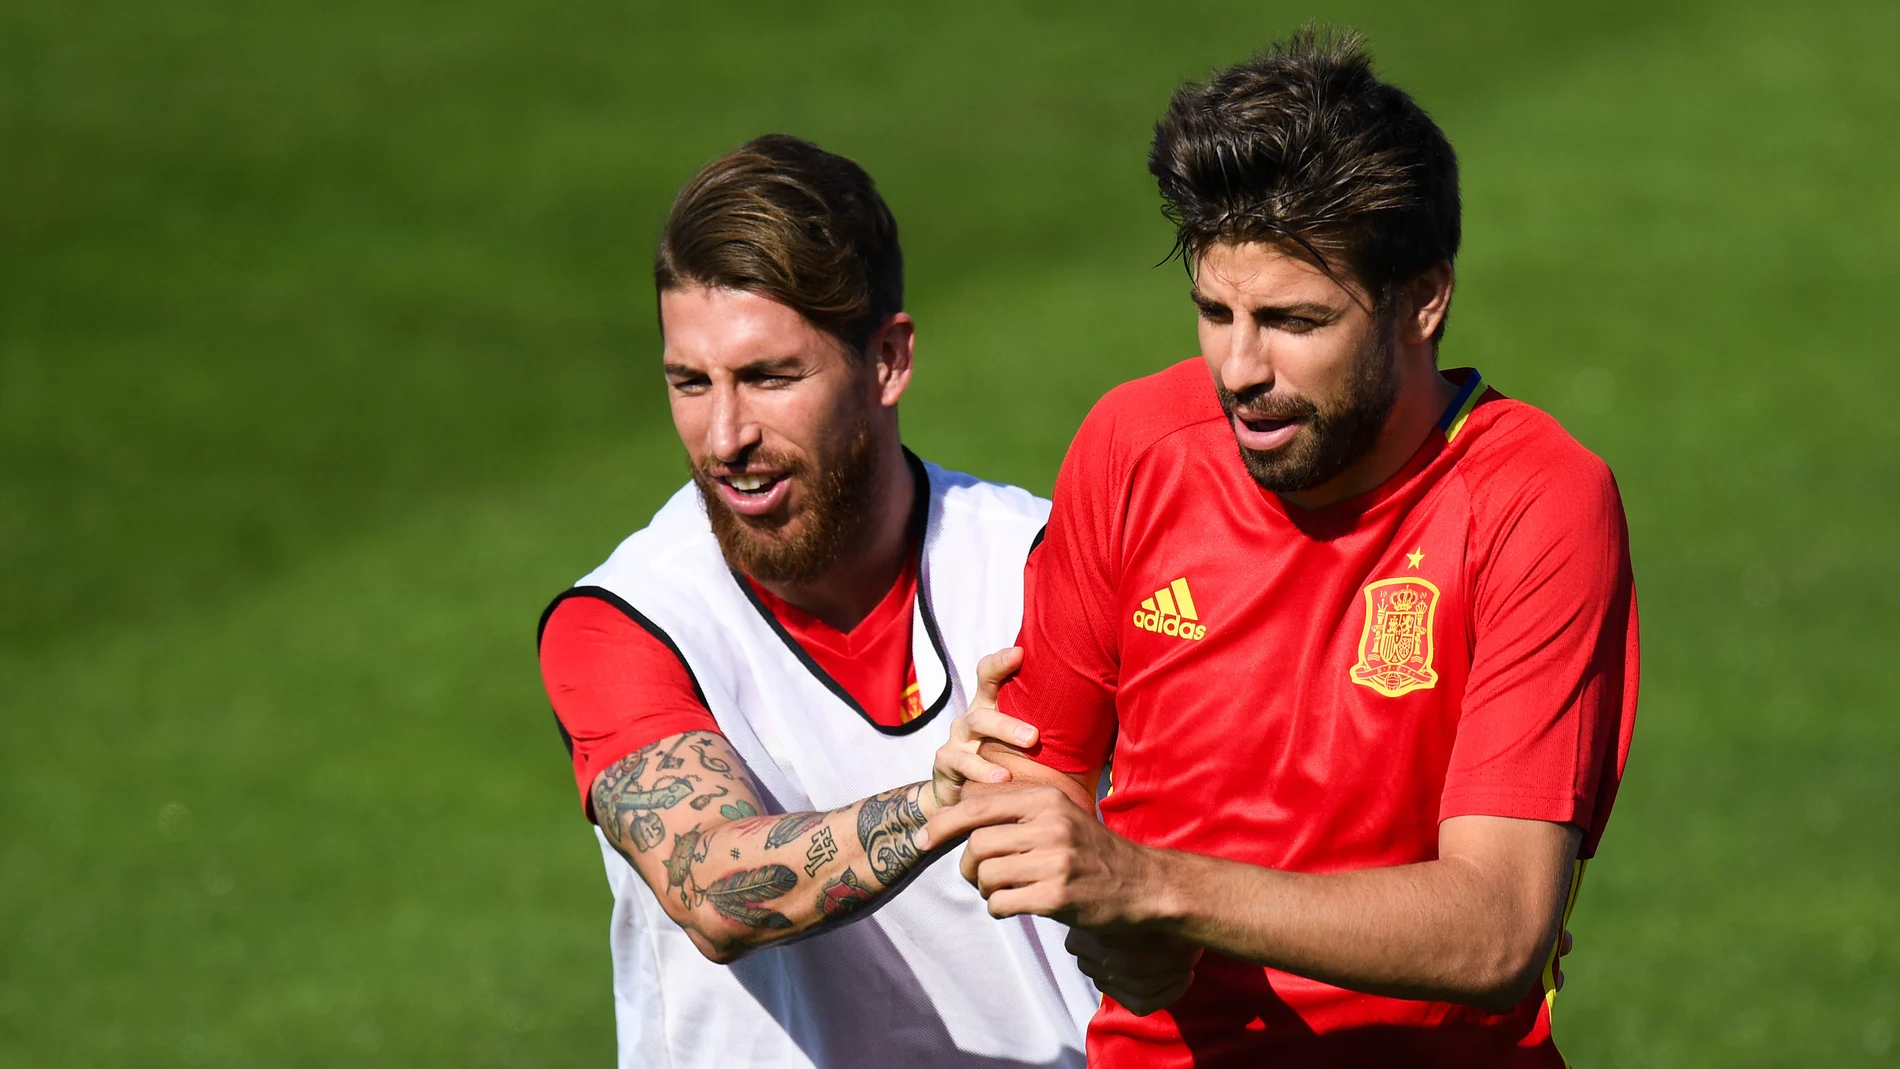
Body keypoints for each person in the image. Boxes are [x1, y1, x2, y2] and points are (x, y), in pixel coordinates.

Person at [921, 27, 1640, 1066]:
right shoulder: (1132, 446)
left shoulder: (1536, 500)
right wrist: (1107, 922)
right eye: (1215, 311)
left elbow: (1498, 929)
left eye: (1295, 320)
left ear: (1421, 301)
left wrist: (1152, 887)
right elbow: (1032, 792)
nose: (1240, 367)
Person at [536, 135, 1095, 1069]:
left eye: (768, 377)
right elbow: (712, 886)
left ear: (888, 359)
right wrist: (938, 804)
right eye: (690, 382)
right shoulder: (625, 620)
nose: (725, 437)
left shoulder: (1046, 567)